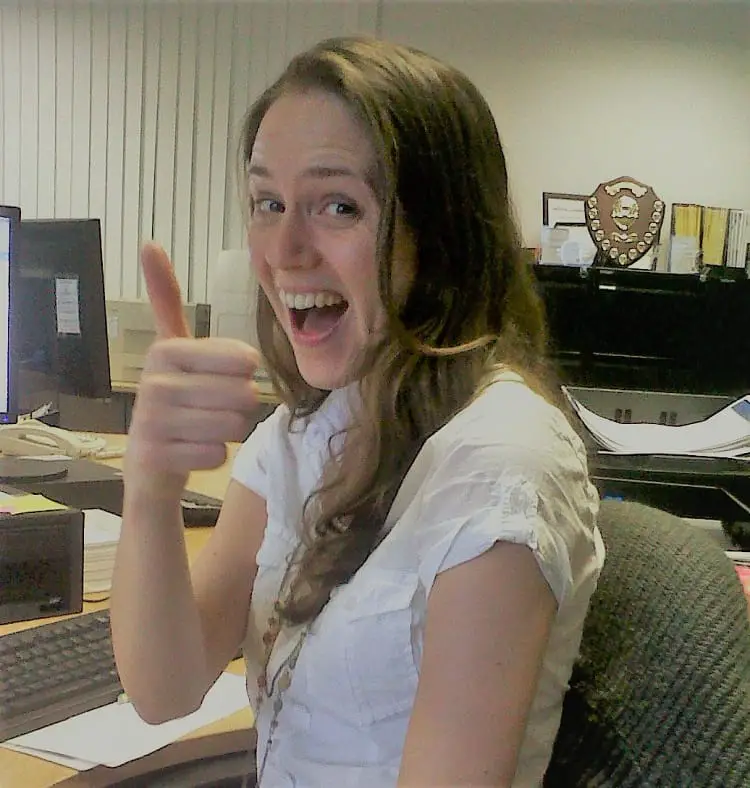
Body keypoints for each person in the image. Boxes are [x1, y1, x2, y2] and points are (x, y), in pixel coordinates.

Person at [110, 35, 604, 787]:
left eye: (339, 205)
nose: (282, 250)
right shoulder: (304, 433)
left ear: (438, 234)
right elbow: (164, 688)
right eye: (267, 202)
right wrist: (149, 488)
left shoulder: (502, 466)